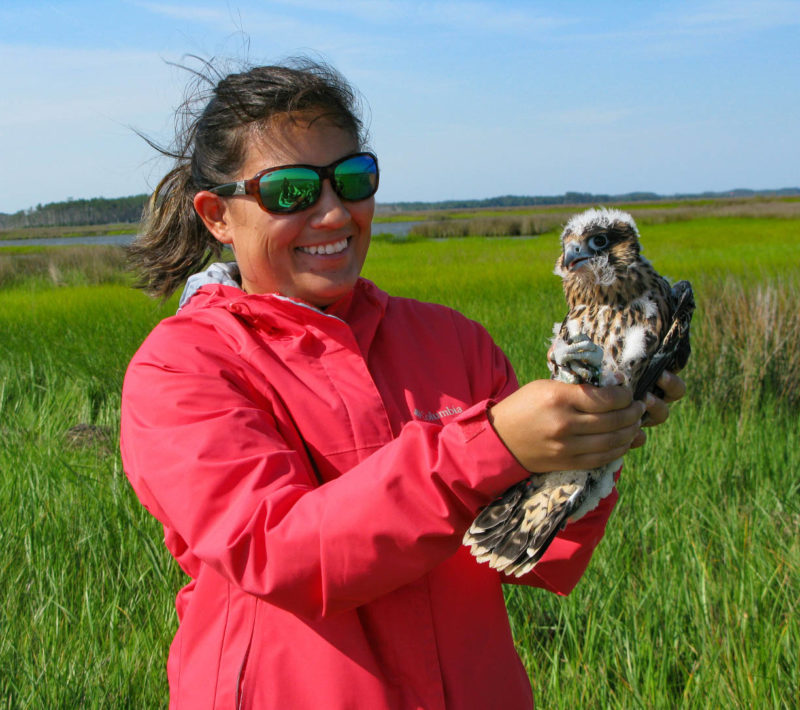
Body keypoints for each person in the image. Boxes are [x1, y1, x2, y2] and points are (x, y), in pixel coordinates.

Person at [120, 58, 685, 710]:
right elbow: (282, 553)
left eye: (353, 179)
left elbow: (538, 550)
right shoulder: (183, 368)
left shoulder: (452, 342)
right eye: (292, 192)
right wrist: (492, 445)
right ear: (218, 215)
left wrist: (595, 438)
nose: (333, 213)